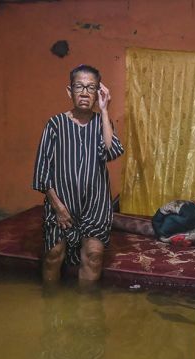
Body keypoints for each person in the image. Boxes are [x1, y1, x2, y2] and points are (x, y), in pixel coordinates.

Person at [32, 65, 125, 282]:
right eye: (79, 87)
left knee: (93, 257)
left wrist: (104, 110)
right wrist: (59, 208)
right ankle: (50, 309)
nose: (84, 92)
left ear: (98, 93)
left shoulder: (103, 123)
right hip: (61, 204)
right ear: (69, 91)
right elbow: (42, 171)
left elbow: (112, 152)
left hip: (96, 205)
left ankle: (87, 313)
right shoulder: (55, 125)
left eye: (91, 88)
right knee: (53, 256)